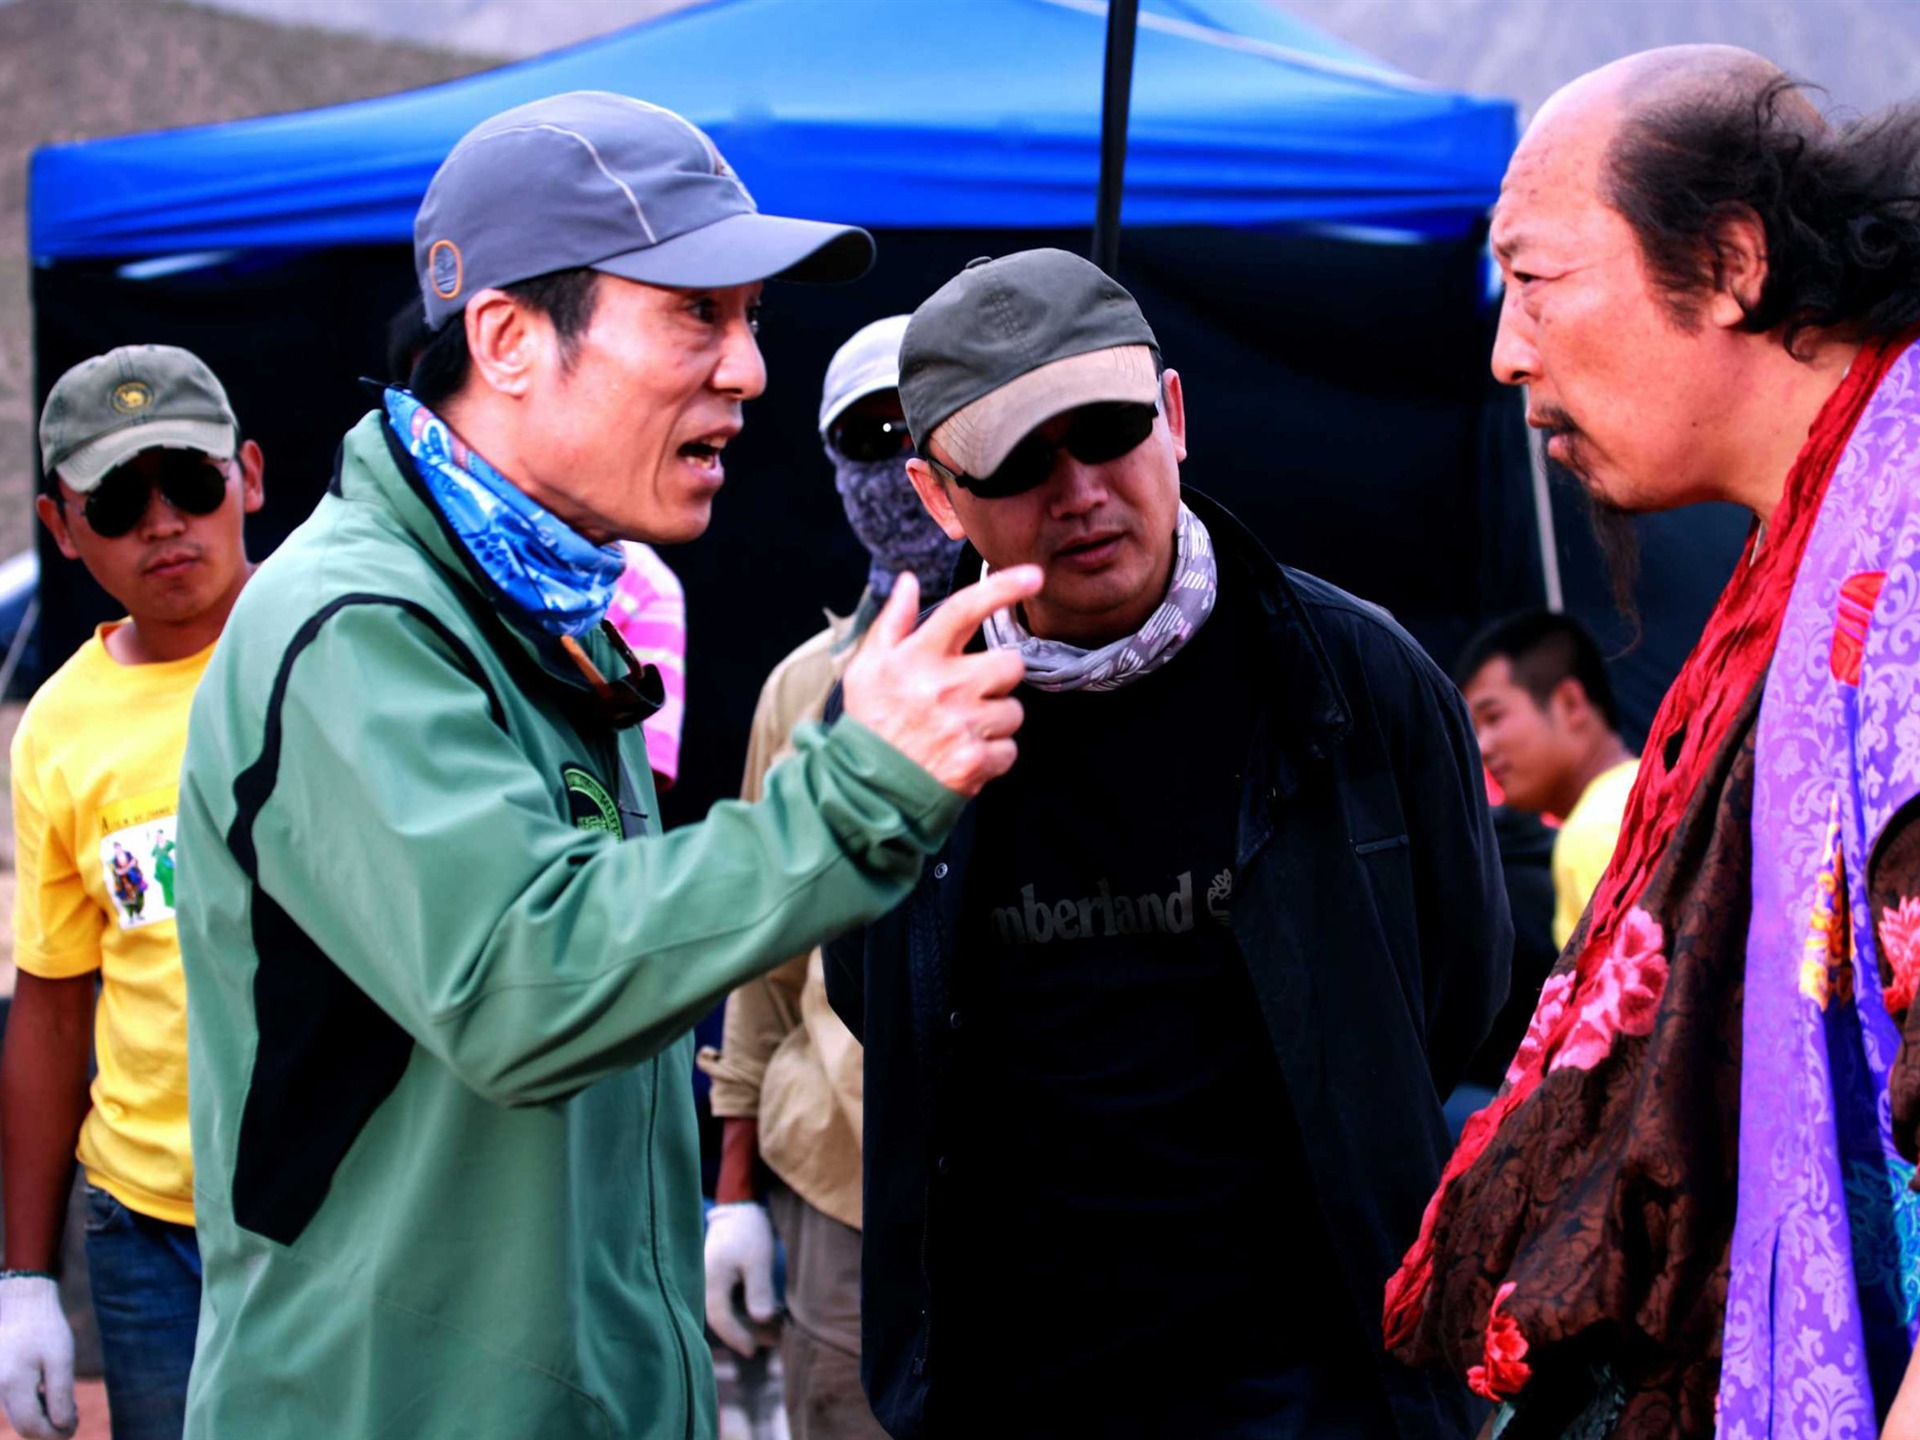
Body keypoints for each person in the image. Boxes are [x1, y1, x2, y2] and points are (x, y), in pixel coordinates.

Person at [172, 92, 1040, 1440]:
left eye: (751, 318)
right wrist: (859, 784)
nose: (750, 368)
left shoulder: (542, 610)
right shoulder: (353, 629)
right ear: (509, 339)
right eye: (699, 313)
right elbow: (526, 979)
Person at [824, 249, 1512, 1440]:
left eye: (1107, 429)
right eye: (1020, 461)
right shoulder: (898, 719)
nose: (1081, 487)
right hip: (1018, 1382)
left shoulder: (1355, 680)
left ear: (1175, 417)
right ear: (938, 498)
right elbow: (869, 990)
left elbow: (1457, 996)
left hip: (1328, 1385)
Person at [1382, 47, 1920, 1439]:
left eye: (1537, 279)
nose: (1506, 349)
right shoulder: (1814, 544)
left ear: (1732, 261)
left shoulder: (1903, 546)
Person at [697, 314, 955, 1439]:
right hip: (843, 1183)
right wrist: (733, 1191)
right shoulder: (803, 693)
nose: (899, 462)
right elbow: (762, 956)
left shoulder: (1072, 649)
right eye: (869, 435)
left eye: (924, 428)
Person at [0, 344, 264, 1440]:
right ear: (63, 529)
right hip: (145, 1232)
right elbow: (55, 1002)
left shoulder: (346, 646)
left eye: (190, 482)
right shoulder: (60, 727)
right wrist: (23, 1281)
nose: (163, 523)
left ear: (249, 476)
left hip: (347, 1214)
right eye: (117, 500)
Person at [1455, 611, 1638, 948]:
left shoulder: (1592, 833)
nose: (1481, 747)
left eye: (1493, 717)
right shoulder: (1655, 788)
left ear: (1570, 702)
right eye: (1473, 730)